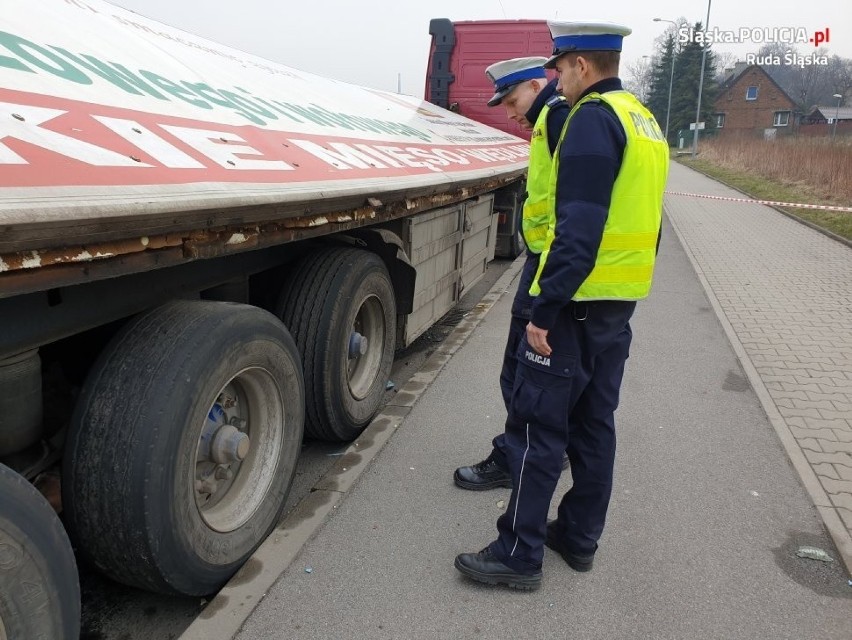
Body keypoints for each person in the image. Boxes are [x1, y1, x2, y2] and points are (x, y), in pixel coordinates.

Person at [454, 21, 670, 591]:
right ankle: (577, 538)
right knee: (594, 426)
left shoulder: (591, 121)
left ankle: (518, 554)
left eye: (559, 69)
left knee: (537, 429)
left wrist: (543, 311)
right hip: (617, 304)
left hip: (574, 304)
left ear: (579, 66)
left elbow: (579, 229)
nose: (557, 80)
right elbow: (649, 221)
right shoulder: (643, 120)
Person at [453, 56, 571, 491]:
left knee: (520, 372)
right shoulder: (551, 123)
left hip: (547, 265)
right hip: (544, 260)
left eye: (513, 98)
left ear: (538, 84)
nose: (509, 112)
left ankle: (514, 459)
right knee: (531, 372)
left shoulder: (558, 121)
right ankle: (545, 450)